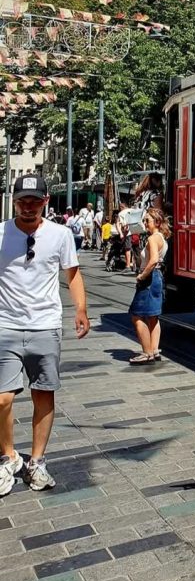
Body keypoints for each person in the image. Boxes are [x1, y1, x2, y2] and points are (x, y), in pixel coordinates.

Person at [0, 175, 90, 495]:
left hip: (45, 326)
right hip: (5, 325)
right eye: (22, 201)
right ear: (14, 201)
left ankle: (36, 461)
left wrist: (80, 308)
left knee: (43, 394)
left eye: (34, 201)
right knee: (2, 398)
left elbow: (73, 274)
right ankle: (8, 456)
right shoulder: (0, 233)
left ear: (46, 201)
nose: (28, 207)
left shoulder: (60, 234)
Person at [128, 207, 170, 365]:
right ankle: (154, 350)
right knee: (153, 316)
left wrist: (142, 275)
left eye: (147, 220)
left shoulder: (153, 239)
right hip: (158, 277)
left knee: (136, 315)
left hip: (150, 278)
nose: (144, 223)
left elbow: (152, 260)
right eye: (144, 220)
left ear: (157, 222)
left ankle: (146, 352)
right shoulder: (162, 238)